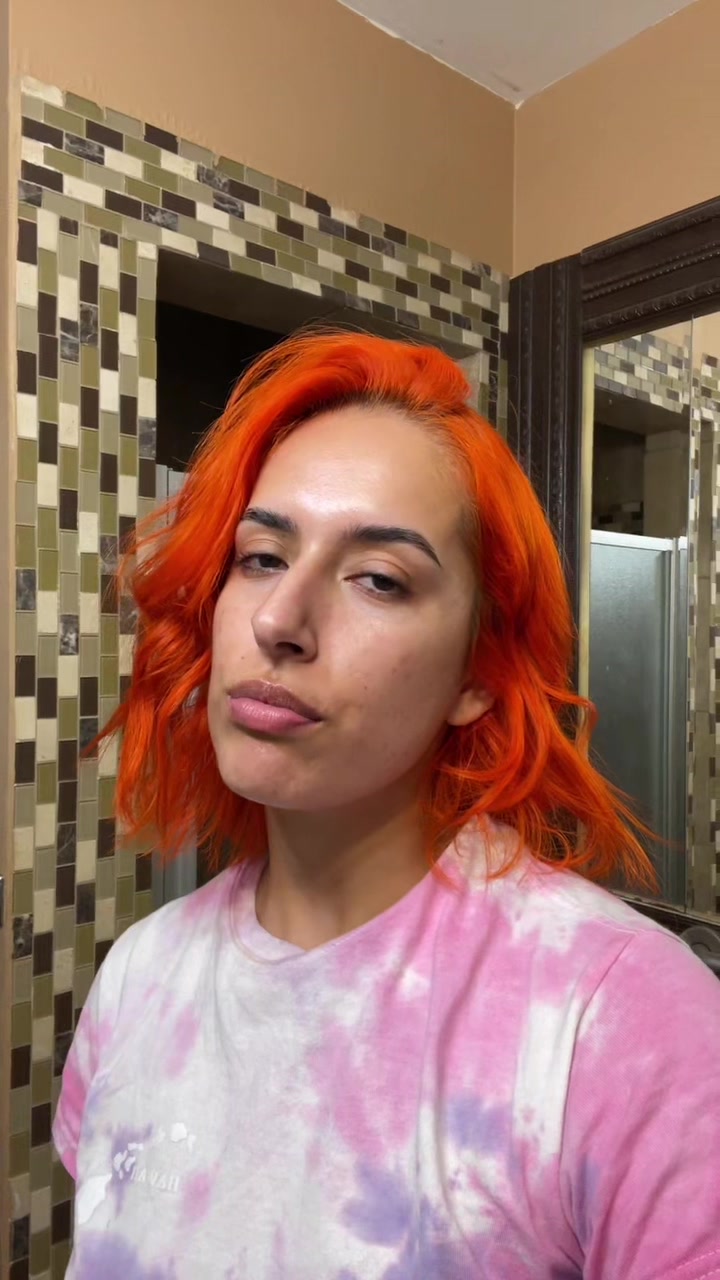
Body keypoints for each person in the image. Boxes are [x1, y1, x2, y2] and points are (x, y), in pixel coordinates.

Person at [54, 330, 720, 1280]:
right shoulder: (140, 978)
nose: (279, 621)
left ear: (478, 676)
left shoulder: (623, 1020)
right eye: (260, 556)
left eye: (378, 578)